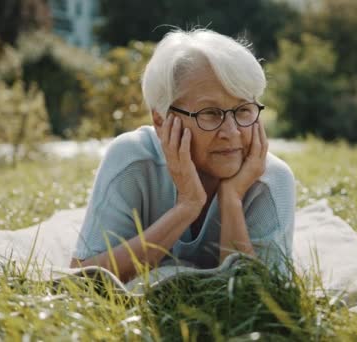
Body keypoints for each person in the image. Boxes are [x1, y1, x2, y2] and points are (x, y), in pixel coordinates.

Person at [70, 29, 295, 282]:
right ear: (160, 119)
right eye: (210, 113)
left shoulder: (272, 179)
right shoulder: (132, 160)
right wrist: (187, 206)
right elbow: (82, 277)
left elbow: (258, 298)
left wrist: (231, 200)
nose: (231, 132)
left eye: (243, 110)